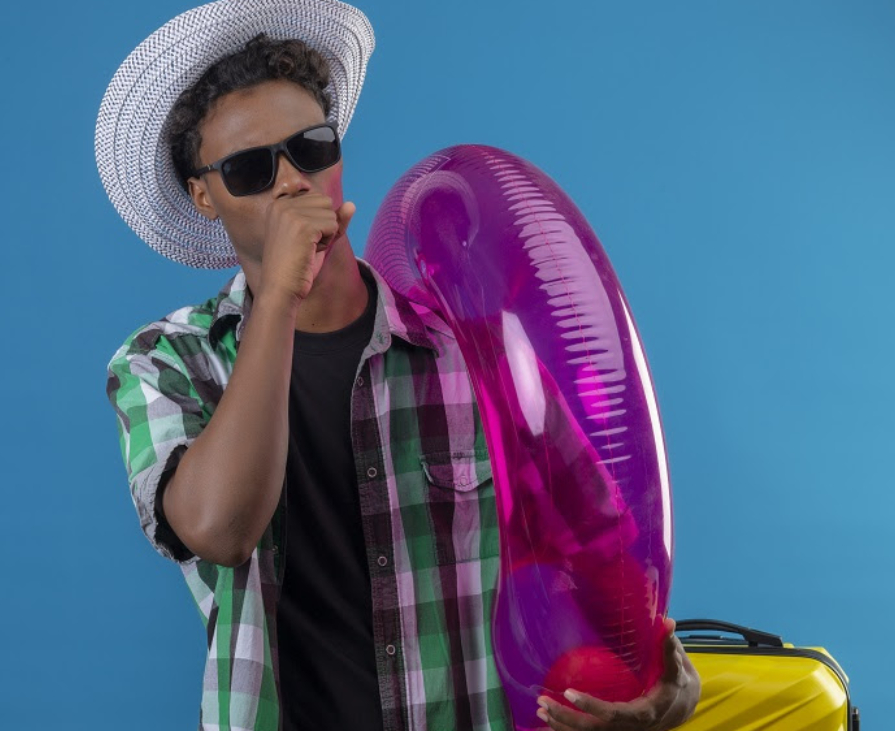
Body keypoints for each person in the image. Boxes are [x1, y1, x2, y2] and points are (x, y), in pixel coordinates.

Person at [97, 2, 701, 730]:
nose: (293, 181)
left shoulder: (470, 352)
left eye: (311, 147)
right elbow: (220, 529)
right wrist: (281, 298)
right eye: (252, 168)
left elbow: (604, 546)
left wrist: (663, 680)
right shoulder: (166, 361)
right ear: (205, 195)